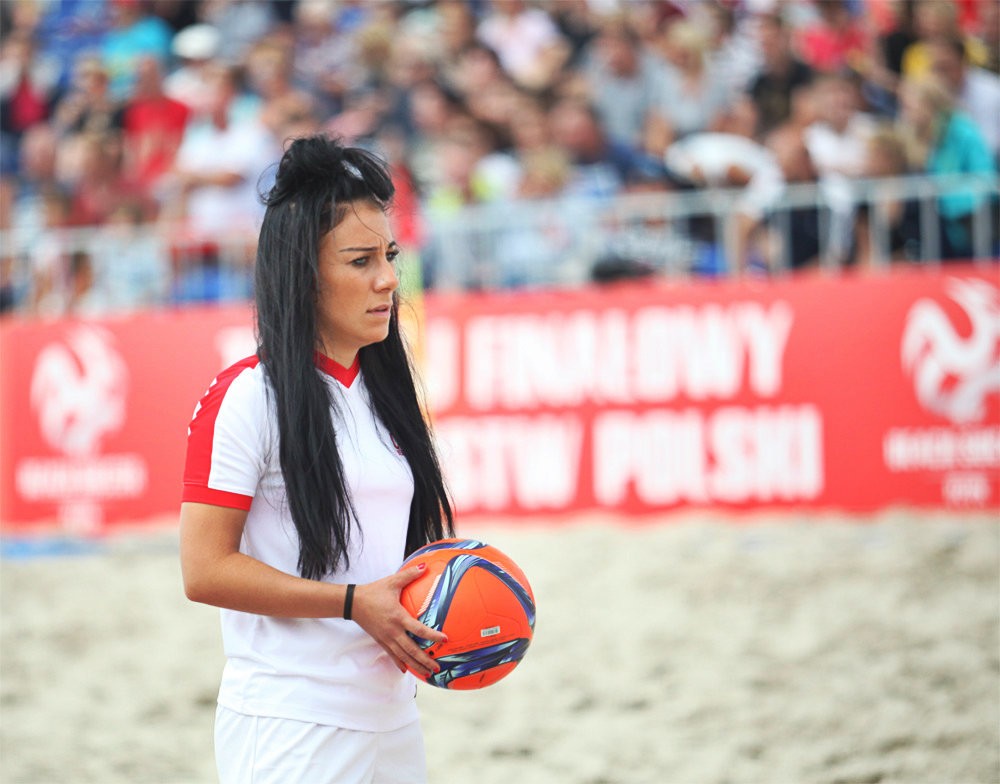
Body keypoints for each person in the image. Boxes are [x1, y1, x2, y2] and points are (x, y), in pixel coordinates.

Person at [179, 135, 455, 784]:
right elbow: (204, 570)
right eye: (361, 260)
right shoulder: (248, 396)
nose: (388, 279)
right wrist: (352, 603)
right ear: (304, 273)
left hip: (392, 718)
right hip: (291, 723)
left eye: (389, 255)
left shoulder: (386, 393)